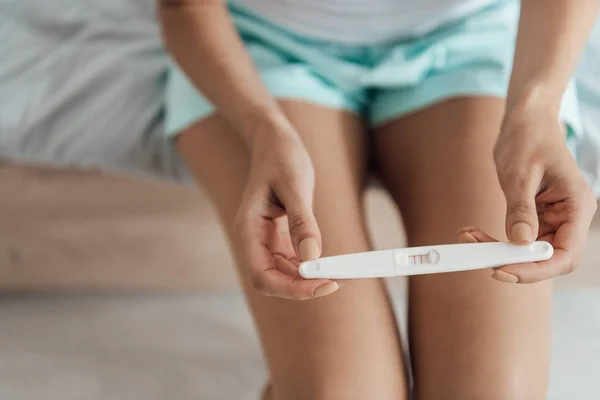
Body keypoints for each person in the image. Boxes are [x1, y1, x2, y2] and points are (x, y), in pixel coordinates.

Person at [159, 0, 598, 398]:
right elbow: (184, 8)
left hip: (476, 38)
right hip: (257, 49)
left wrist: (536, 109)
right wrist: (263, 129)